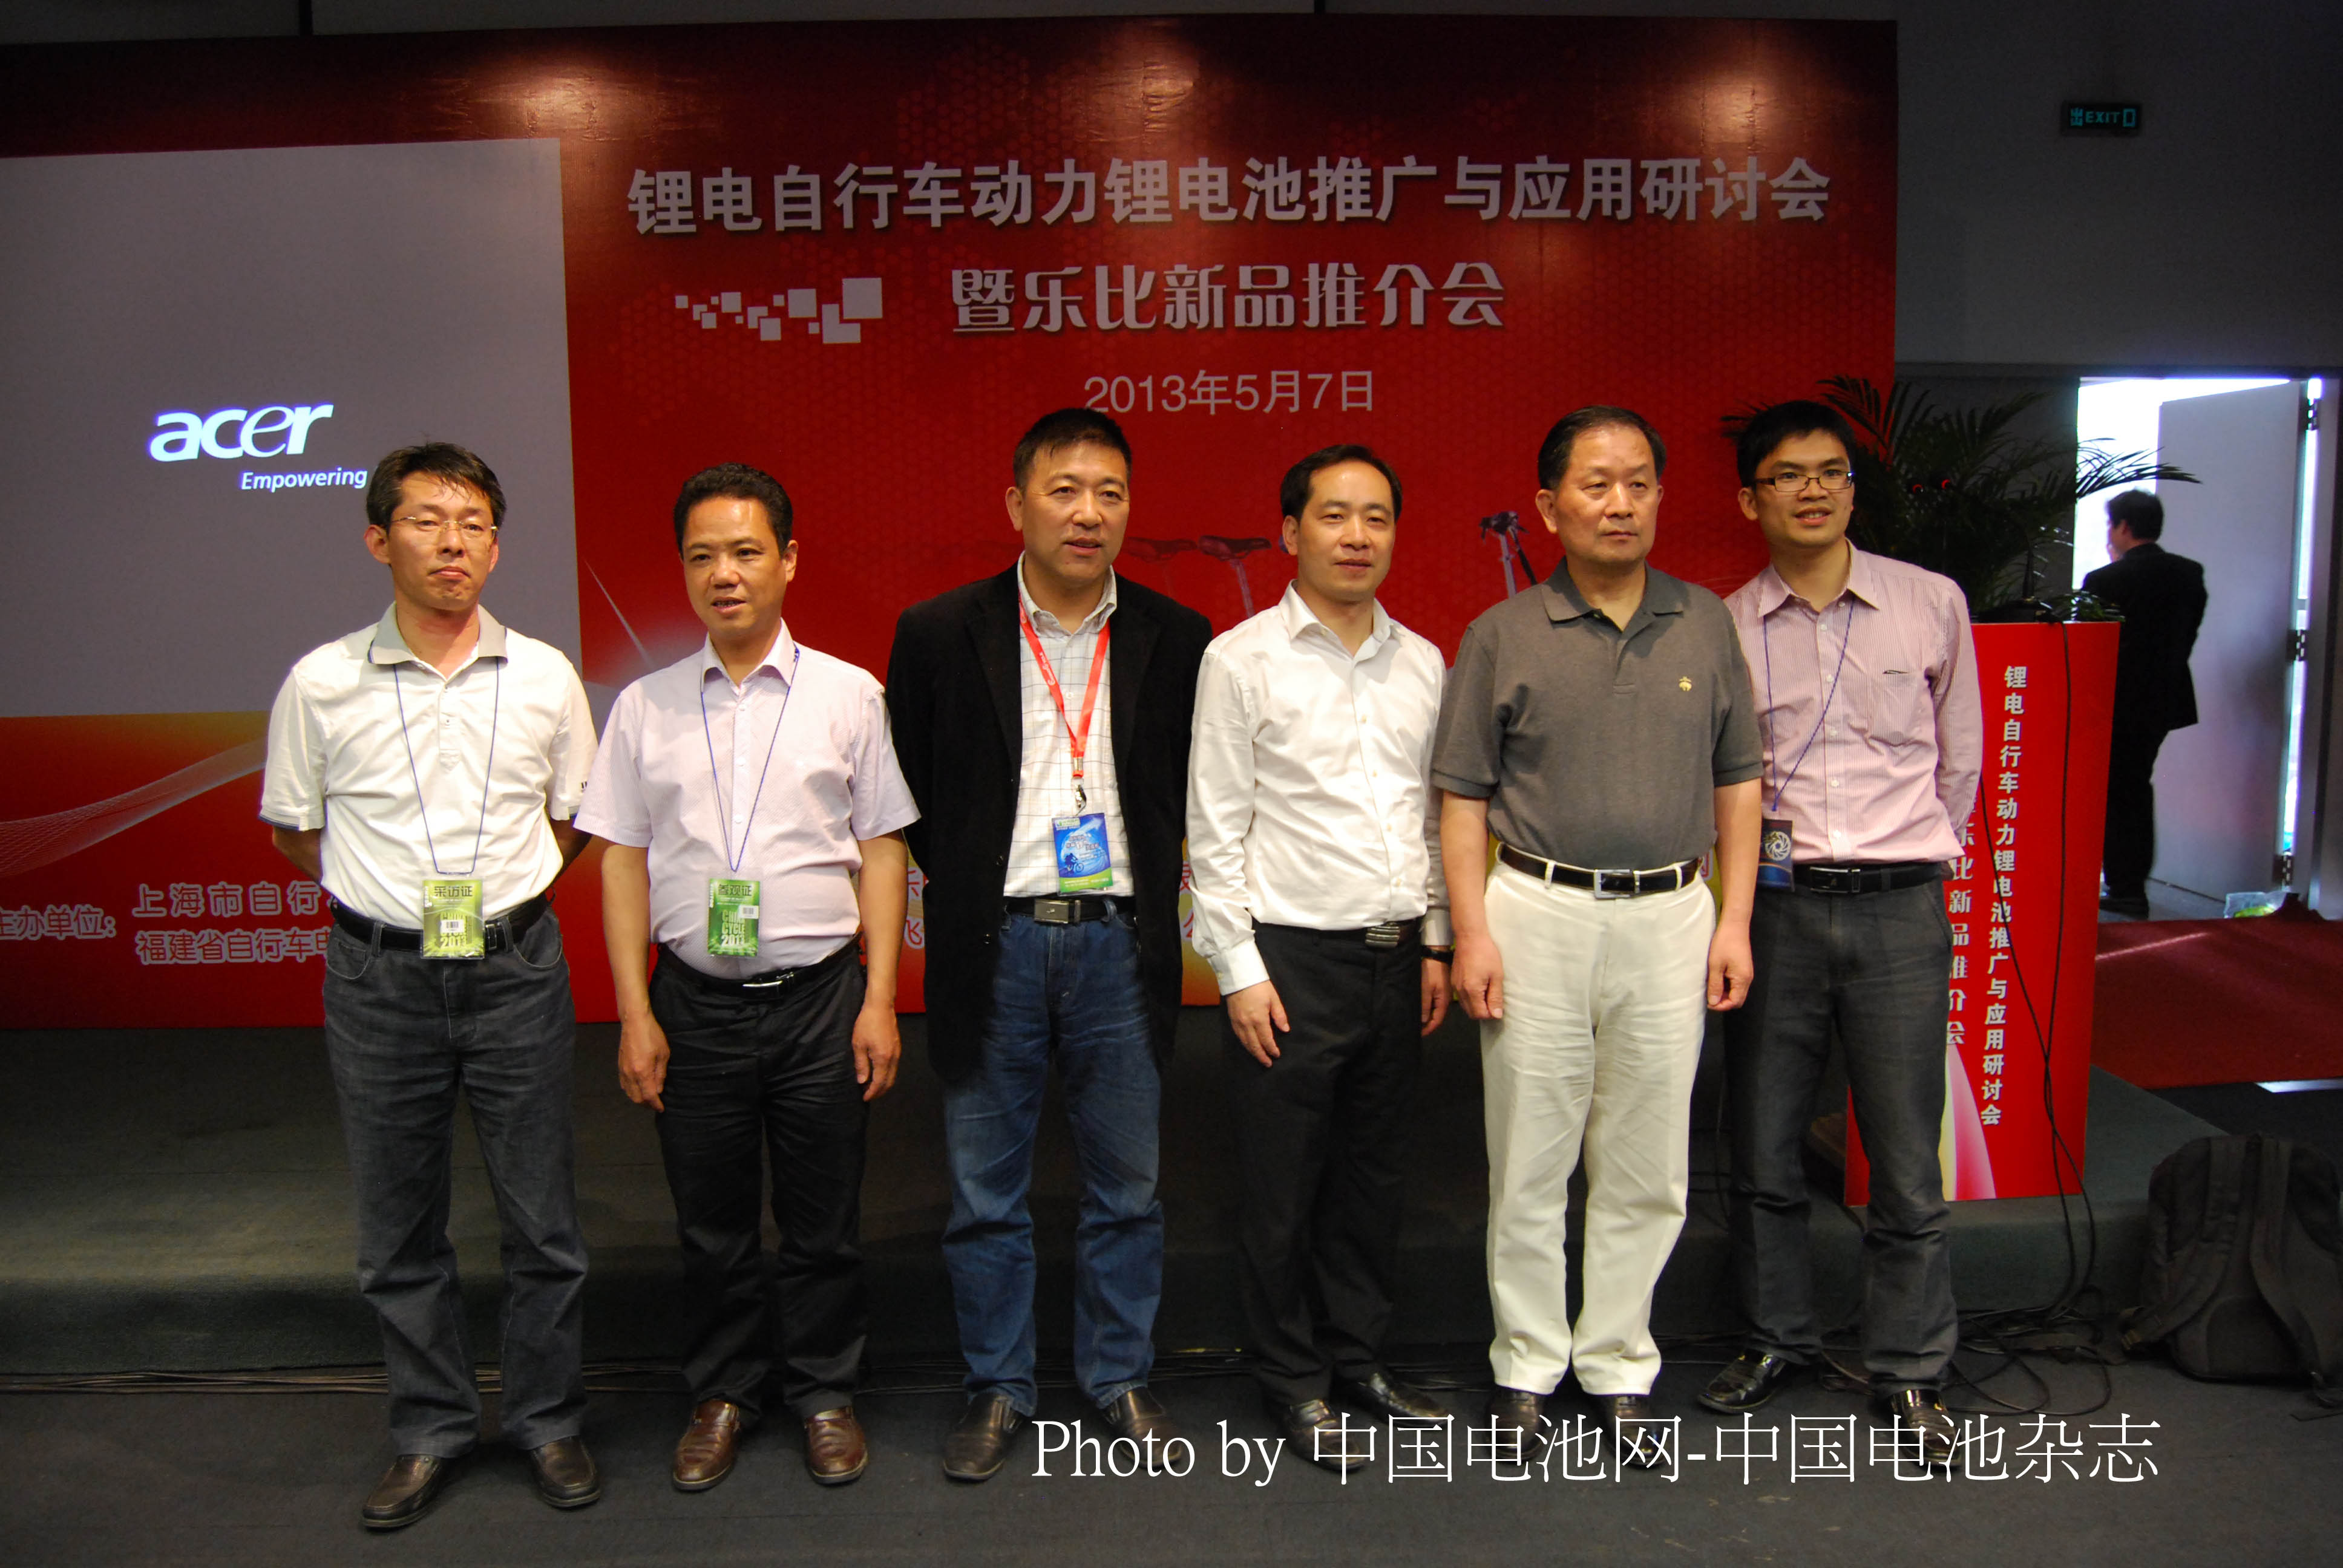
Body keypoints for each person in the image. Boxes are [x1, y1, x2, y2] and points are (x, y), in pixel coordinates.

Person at [260, 443, 600, 1529]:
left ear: (496, 546)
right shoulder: (321, 681)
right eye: (426, 521)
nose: (453, 544)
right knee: (398, 1227)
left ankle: (548, 1421)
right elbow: (296, 829)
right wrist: (384, 901)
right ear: (379, 539)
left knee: (543, 1221)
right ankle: (429, 1431)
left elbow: (573, 820)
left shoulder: (544, 674)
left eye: (473, 525)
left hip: (514, 966)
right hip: (379, 975)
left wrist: (502, 898)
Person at [884, 408, 1211, 1481]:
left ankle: (1120, 1375)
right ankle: (998, 1385)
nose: (1088, 513)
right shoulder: (940, 631)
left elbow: (1188, 791)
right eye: (1064, 489)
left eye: (1110, 492)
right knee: (987, 1193)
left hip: (1120, 942)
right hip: (1000, 940)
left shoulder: (1179, 635)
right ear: (1016, 503)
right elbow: (912, 791)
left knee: (1128, 1188)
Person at [575, 463, 916, 1493]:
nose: (724, 575)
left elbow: (884, 846)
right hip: (693, 1003)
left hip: (821, 999)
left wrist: (879, 998)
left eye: (745, 552)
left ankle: (823, 1392)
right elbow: (620, 858)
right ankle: (723, 1393)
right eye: (702, 557)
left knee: (822, 1219)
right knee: (711, 1222)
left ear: (788, 560)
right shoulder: (644, 707)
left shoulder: (849, 694)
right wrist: (634, 1012)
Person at [1431, 406, 1761, 1462]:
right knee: (1530, 1156)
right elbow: (1461, 798)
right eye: (1595, 484)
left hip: (1673, 913)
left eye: (1638, 483)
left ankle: (1619, 1361)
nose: (1619, 504)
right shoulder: (1502, 633)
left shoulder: (1704, 621)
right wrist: (1472, 931)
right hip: (1537, 912)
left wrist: (1735, 919)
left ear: (1659, 497)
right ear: (1548, 506)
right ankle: (1527, 1363)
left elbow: (1740, 782)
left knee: (1647, 1161)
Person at [1705, 401, 1983, 1466]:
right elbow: (1721, 781)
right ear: (1751, 499)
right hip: (1774, 909)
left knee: (1906, 1152)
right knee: (1763, 1140)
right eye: (1787, 475)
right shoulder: (1725, 625)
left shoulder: (1930, 602)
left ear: (1854, 490)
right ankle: (1775, 1336)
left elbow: (1959, 760)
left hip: (1900, 908)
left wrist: (1909, 854)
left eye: (1831, 472)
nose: (1813, 490)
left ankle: (1910, 1366)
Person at [1185, 445, 1453, 1472]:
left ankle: (1358, 1360)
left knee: (1371, 1181)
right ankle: (1292, 1379)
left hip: (1397, 958)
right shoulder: (1241, 659)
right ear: (1290, 532)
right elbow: (1215, 830)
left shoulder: (1423, 661)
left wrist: (1435, 939)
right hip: (1290, 963)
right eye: (1335, 515)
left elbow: (1430, 820)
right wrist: (1239, 970)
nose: (1357, 536)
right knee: (1282, 1187)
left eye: (1376, 517)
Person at [2082, 489, 2207, 918]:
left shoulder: (2106, 580)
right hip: (2165, 699)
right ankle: (2129, 883)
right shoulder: (2189, 573)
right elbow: (2186, 635)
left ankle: (2126, 886)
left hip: (2115, 702)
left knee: (2119, 792)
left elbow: (2092, 649)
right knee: (2135, 786)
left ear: (2122, 526)